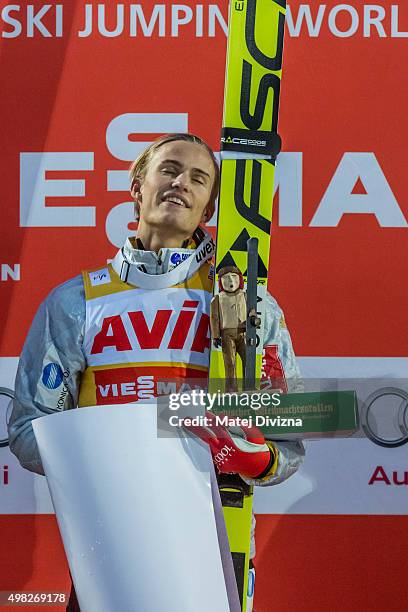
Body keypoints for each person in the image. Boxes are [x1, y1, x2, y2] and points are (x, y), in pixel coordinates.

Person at [8, 133, 304, 612]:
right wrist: (110, 451)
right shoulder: (76, 302)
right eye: (168, 169)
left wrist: (257, 456)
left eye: (198, 178)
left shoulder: (248, 306)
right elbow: (26, 430)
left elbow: (289, 443)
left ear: (209, 209)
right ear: (137, 187)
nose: (180, 183)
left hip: (212, 534)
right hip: (112, 537)